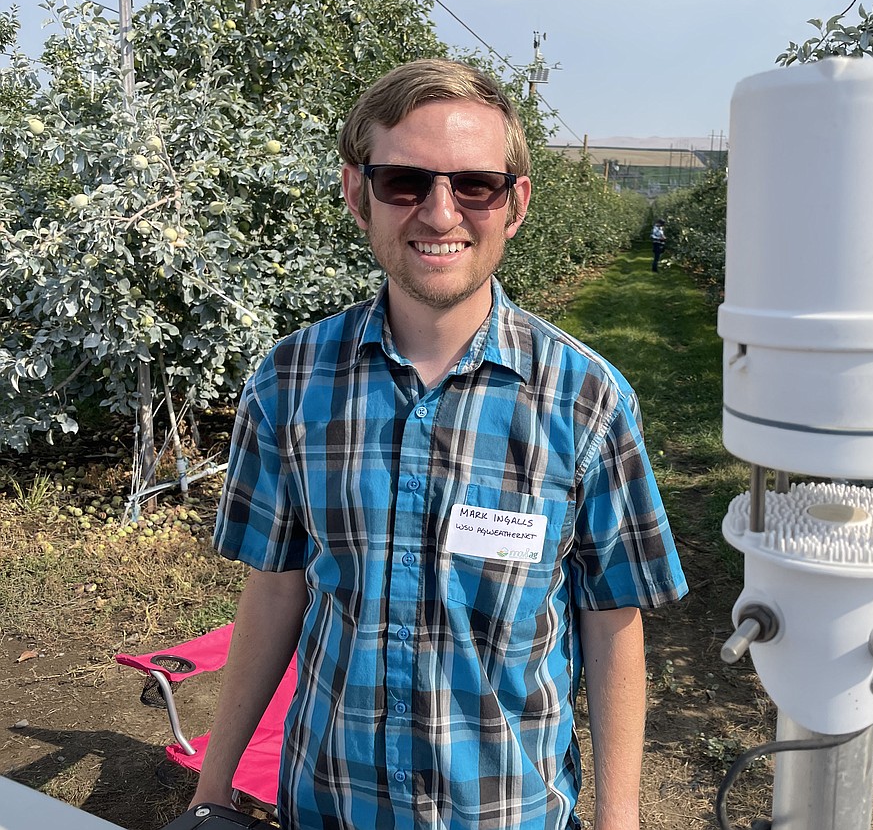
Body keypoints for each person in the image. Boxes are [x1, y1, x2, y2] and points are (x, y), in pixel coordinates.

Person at [191, 58, 688, 830]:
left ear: (514, 203)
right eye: (405, 182)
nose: (440, 211)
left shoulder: (586, 402)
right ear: (359, 194)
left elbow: (612, 620)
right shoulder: (290, 383)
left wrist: (620, 821)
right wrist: (213, 789)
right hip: (329, 806)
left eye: (474, 185)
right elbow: (277, 587)